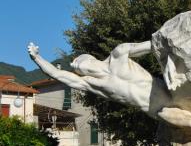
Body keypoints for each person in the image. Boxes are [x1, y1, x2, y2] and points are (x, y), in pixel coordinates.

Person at [27, 41, 171, 118]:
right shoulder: (90, 83)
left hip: (169, 90)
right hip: (158, 110)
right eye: (75, 66)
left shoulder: (119, 53)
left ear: (89, 58)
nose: (73, 64)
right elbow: (57, 74)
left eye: (77, 61)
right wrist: (37, 58)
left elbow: (156, 44)